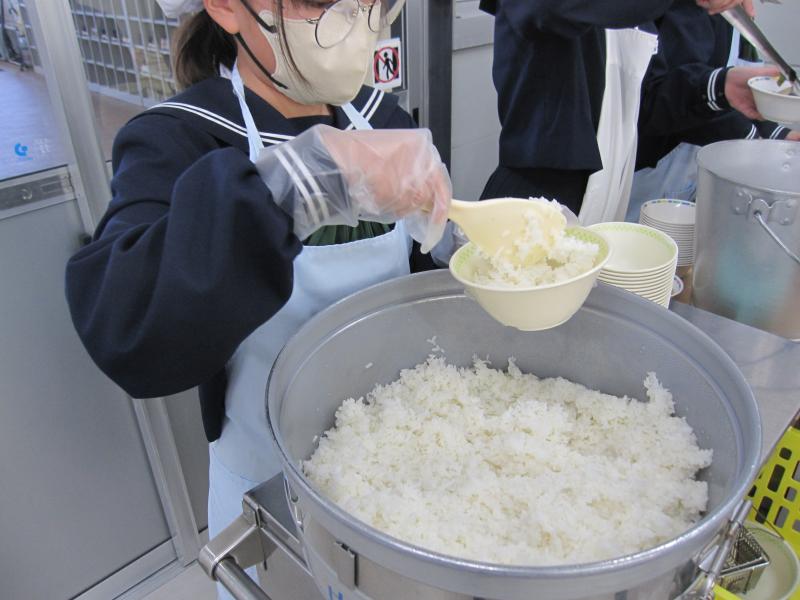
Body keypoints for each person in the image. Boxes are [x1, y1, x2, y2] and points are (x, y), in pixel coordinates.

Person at [64, 0, 450, 595]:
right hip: (267, 491)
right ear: (227, 7)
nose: (359, 20)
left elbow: (419, 266)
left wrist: (484, 255)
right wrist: (299, 184)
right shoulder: (177, 138)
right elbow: (124, 323)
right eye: (322, 1)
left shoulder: (382, 118)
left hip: (397, 482)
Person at [478, 0, 756, 223]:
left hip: (608, 196)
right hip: (537, 199)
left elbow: (646, 105)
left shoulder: (640, 17)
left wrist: (721, 86)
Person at [628, 0, 799, 219]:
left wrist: (777, 135)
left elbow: (741, 90)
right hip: (655, 168)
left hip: (689, 168)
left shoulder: (738, 16)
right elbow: (674, 95)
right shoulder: (695, 9)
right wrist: (755, 142)